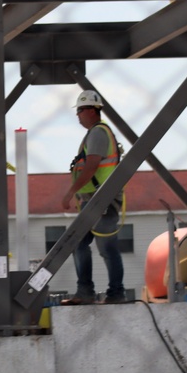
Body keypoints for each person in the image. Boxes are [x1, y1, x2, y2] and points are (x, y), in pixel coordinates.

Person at [60, 90, 126, 305]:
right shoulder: (95, 133)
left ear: (90, 110)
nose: (78, 116)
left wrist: (70, 192)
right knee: (79, 242)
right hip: (95, 200)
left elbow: (91, 167)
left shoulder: (98, 133)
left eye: (79, 111)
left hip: (102, 200)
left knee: (106, 248)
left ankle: (114, 293)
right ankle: (86, 291)